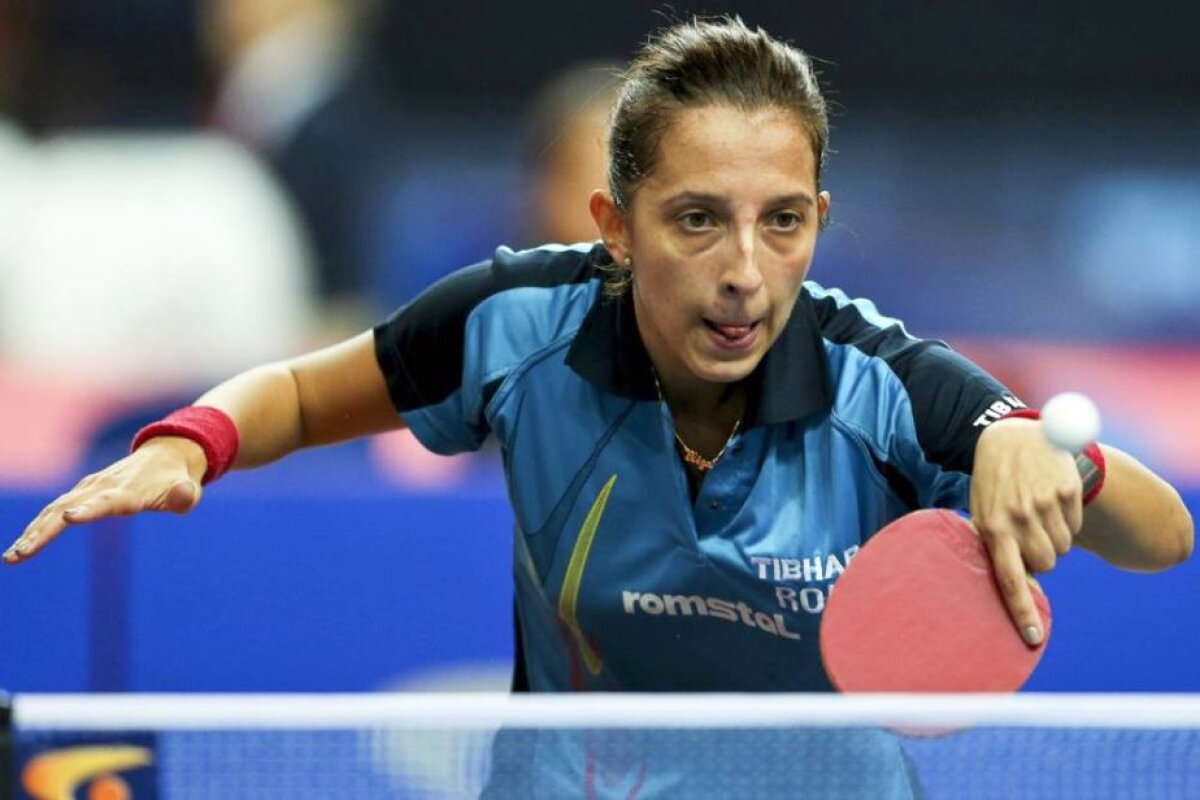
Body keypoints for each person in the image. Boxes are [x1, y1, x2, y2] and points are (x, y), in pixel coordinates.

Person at [5, 15, 1193, 795]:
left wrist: (1054, 459)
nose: (744, 269)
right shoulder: (519, 324)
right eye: (697, 219)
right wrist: (195, 441)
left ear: (819, 221)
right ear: (614, 225)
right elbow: (310, 392)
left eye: (782, 221)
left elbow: (1164, 535)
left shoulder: (886, 380)